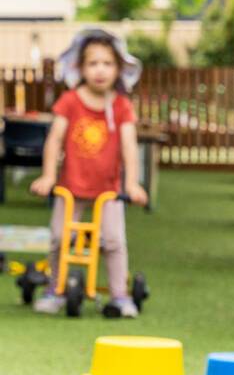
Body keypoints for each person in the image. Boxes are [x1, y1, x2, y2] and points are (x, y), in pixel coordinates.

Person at [29, 29, 148, 317]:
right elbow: (55, 140)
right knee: (60, 237)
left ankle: (119, 295)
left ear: (119, 69)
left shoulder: (120, 105)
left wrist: (131, 183)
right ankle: (55, 289)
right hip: (71, 186)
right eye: (93, 63)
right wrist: (48, 176)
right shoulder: (70, 101)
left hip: (108, 189)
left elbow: (129, 147)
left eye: (107, 63)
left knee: (113, 240)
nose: (100, 70)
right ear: (80, 68)